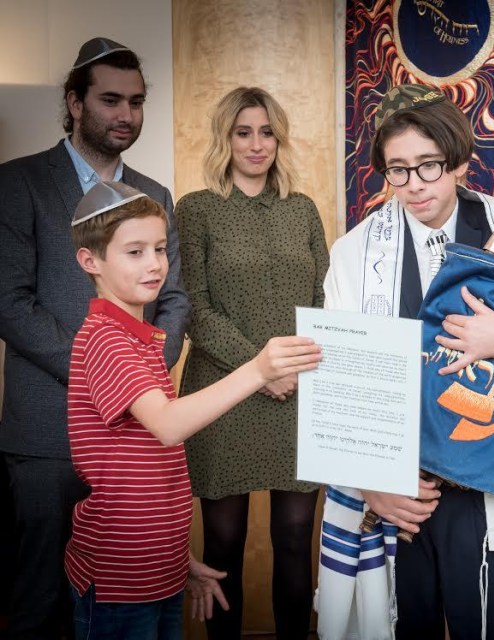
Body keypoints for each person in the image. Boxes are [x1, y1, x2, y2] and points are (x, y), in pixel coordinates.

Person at [317, 84, 494, 640]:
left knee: (490, 626)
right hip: (401, 491)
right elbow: (335, 378)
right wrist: (372, 485)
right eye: (397, 170)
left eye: (429, 166)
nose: (414, 185)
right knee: (406, 625)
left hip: (491, 485)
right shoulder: (353, 253)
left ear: (462, 163)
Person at [65, 181, 322, 637]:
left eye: (160, 249)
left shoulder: (141, 340)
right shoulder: (107, 339)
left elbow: (146, 472)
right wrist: (258, 370)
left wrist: (179, 560)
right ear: (91, 261)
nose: (155, 265)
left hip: (158, 570)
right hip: (119, 581)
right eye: (135, 252)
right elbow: (166, 427)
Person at [0, 37, 191, 638]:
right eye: (110, 100)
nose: (125, 115)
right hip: (45, 429)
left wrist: (140, 373)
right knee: (41, 600)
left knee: (123, 597)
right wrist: (101, 368)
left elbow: (177, 299)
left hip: (139, 442)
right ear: (74, 102)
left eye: (135, 102)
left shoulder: (153, 194)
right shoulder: (18, 182)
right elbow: (9, 302)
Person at [175, 86, 329, 639]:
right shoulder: (196, 210)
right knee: (222, 545)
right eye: (244, 132)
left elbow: (320, 299)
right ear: (226, 138)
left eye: (266, 132)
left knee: (293, 539)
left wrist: (287, 371)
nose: (257, 144)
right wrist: (260, 370)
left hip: (298, 393)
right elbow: (195, 309)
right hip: (223, 394)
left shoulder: (302, 209)